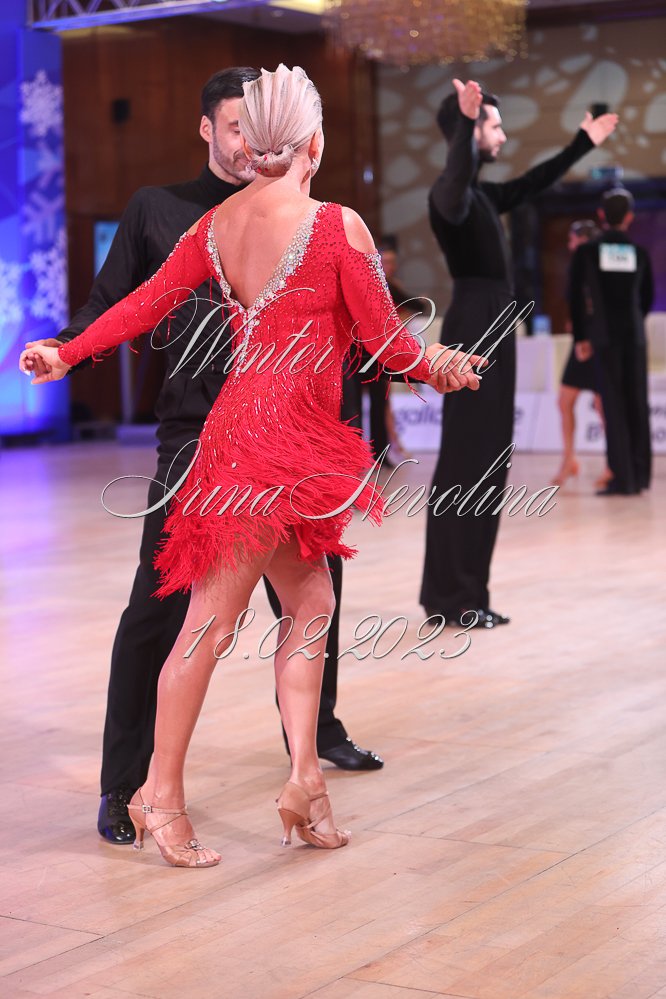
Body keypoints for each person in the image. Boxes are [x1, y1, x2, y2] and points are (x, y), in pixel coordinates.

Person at [21, 65, 484, 868]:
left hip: (255, 436)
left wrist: (69, 352)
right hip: (269, 450)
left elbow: (142, 304)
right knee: (208, 623)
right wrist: (441, 364)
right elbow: (386, 342)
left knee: (311, 602)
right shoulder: (336, 224)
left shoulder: (217, 225)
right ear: (314, 143)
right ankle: (159, 794)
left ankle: (305, 780)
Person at [420, 79, 618, 629]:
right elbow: (457, 177)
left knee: (489, 463)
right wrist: (465, 123)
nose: (503, 135)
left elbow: (535, 181)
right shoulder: (449, 196)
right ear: (468, 132)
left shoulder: (484, 197)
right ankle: (452, 596)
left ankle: (469, 593)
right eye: (494, 125)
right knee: (467, 461)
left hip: (494, 323)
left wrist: (583, 143)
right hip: (474, 329)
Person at [569, 187, 653, 496]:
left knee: (614, 405)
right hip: (634, 336)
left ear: (601, 215)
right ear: (629, 217)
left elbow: (575, 296)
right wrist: (634, 321)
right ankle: (640, 476)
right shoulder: (639, 252)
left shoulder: (587, 252)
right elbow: (647, 296)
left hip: (604, 337)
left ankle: (622, 479)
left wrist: (582, 335)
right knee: (637, 403)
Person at [551, 219, 610, 489]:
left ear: (583, 240)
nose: (570, 245)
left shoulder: (597, 266)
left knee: (602, 405)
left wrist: (586, 336)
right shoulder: (577, 265)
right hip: (581, 341)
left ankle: (612, 463)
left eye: (573, 240)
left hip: (595, 342)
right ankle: (569, 459)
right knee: (564, 401)